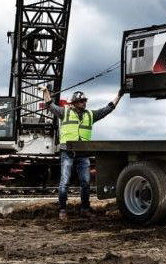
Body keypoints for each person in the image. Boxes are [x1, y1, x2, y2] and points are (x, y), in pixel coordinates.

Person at [42, 87, 123, 220]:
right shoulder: (65, 112)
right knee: (65, 182)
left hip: (83, 154)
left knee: (85, 183)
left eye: (85, 100)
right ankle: (62, 209)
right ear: (74, 103)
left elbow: (108, 109)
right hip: (67, 152)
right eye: (81, 101)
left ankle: (85, 209)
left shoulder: (90, 115)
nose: (84, 103)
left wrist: (118, 96)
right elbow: (49, 105)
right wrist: (45, 91)